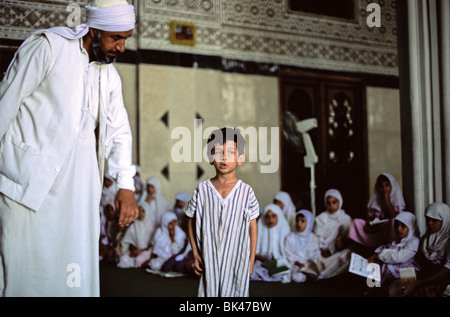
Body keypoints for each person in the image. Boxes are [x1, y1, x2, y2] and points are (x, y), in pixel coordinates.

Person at [0, 0, 138, 296]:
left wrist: (126, 186)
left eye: (125, 39)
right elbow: (4, 106)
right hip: (27, 187)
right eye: (116, 38)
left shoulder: (109, 76)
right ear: (94, 30)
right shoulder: (48, 47)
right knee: (21, 276)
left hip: (77, 194)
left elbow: (119, 132)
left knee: (71, 276)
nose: (122, 47)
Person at [185, 127, 259, 297]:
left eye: (231, 152)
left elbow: (252, 226)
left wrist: (251, 259)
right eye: (218, 152)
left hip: (237, 260)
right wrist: (196, 253)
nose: (224, 157)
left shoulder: (246, 192)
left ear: (240, 159)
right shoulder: (202, 189)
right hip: (210, 259)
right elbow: (190, 218)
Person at [348, 173, 406, 256]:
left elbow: (395, 217)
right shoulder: (377, 199)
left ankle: (388, 247)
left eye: (387, 185)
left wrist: (387, 200)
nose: (384, 189)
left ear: (392, 186)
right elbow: (372, 217)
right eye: (381, 186)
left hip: (387, 228)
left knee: (393, 222)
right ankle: (360, 246)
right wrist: (369, 222)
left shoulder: (397, 200)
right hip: (376, 227)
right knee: (356, 222)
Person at [366, 211, 419, 294]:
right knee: (376, 268)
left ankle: (380, 288)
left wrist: (379, 255)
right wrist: (376, 256)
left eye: (403, 226)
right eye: (396, 225)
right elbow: (388, 249)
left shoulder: (414, 241)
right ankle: (375, 287)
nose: (398, 229)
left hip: (406, 268)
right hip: (394, 264)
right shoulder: (397, 240)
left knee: (397, 288)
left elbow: (400, 257)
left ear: (411, 226)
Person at [413, 202, 450, 297]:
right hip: (428, 274)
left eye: (434, 221)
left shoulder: (448, 240)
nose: (429, 223)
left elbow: (448, 267)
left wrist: (424, 281)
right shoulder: (426, 238)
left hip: (443, 277)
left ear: (445, 221)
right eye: (428, 220)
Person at [315, 189, 352, 279]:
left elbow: (347, 241)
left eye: (334, 202)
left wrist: (339, 240)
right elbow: (316, 238)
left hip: (337, 252)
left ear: (340, 202)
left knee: (347, 254)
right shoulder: (321, 218)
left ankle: (323, 272)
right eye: (328, 203)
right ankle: (325, 271)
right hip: (321, 252)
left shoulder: (346, 219)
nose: (331, 206)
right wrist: (322, 250)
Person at [251, 204, 291, 282]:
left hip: (280, 259)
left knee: (287, 270)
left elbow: (288, 252)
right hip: (263, 260)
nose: (270, 220)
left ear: (279, 216)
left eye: (273, 216)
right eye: (267, 217)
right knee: (253, 270)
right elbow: (255, 250)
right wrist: (262, 258)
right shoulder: (260, 227)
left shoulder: (284, 229)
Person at [285, 209, 322, 282]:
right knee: (296, 277)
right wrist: (296, 262)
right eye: (297, 220)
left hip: (309, 264)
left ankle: (311, 274)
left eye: (302, 221)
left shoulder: (313, 237)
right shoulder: (290, 237)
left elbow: (316, 253)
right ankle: (308, 277)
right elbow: (288, 253)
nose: (299, 223)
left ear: (309, 223)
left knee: (322, 270)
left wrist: (315, 261)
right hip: (296, 264)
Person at [117, 204, 157, 268]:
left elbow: (152, 244)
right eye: (139, 211)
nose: (141, 213)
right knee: (122, 259)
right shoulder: (134, 225)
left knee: (138, 260)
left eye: (143, 211)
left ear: (147, 211)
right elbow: (129, 240)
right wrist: (134, 250)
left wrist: (140, 251)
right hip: (136, 251)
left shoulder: (152, 225)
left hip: (147, 251)